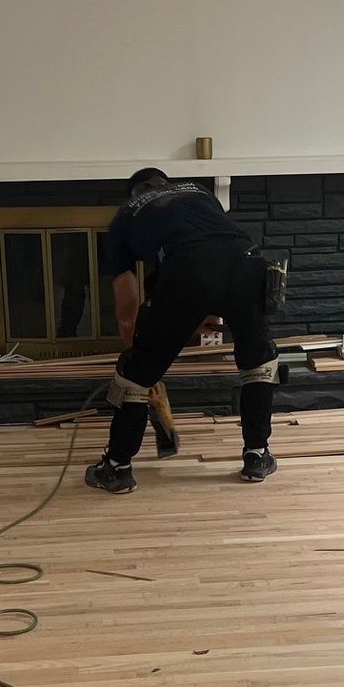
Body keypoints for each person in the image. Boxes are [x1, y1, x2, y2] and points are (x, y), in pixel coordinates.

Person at [85, 169, 278, 494]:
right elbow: (217, 254)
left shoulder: (124, 217)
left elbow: (127, 304)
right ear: (166, 183)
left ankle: (116, 469)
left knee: (133, 376)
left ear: (134, 193)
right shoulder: (200, 192)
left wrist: (142, 360)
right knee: (258, 362)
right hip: (249, 263)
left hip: (187, 268)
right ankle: (257, 457)